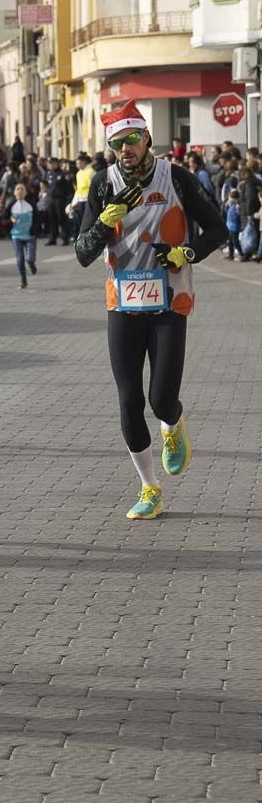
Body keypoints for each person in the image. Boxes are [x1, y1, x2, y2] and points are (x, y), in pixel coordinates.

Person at [75, 101, 226, 520]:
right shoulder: (102, 185)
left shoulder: (176, 177)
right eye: (116, 143)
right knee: (128, 399)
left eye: (131, 139)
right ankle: (149, 488)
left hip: (169, 303)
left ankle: (173, 425)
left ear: (146, 138)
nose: (124, 148)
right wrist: (104, 223)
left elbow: (218, 228)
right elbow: (82, 252)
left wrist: (186, 252)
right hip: (122, 304)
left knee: (161, 399)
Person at [5, 182, 38, 288]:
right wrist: (10, 220)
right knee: (19, 259)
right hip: (16, 236)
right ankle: (23, 280)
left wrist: (35, 231)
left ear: (26, 192)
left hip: (30, 236)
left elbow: (39, 219)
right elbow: (3, 219)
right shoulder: (11, 205)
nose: (20, 191)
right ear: (14, 192)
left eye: (22, 189)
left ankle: (32, 265)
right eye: (17, 189)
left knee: (30, 259)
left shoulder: (31, 205)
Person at [68, 153, 95, 239]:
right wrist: (73, 202)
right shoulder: (78, 173)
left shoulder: (91, 172)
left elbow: (93, 187)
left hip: (88, 199)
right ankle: (82, 237)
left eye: (78, 163)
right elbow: (78, 189)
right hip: (80, 200)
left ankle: (89, 237)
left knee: (88, 220)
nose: (77, 165)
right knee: (80, 220)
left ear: (84, 162)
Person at [225, 189, 242, 260]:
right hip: (229, 226)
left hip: (235, 226)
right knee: (230, 242)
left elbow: (239, 214)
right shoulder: (231, 205)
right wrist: (226, 205)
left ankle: (242, 253)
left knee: (235, 241)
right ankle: (231, 255)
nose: (229, 199)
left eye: (230, 198)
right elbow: (226, 212)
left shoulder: (237, 205)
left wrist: (238, 210)